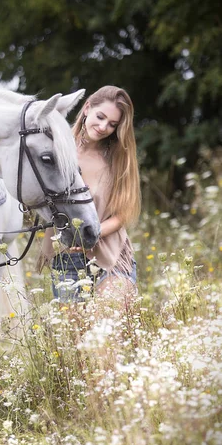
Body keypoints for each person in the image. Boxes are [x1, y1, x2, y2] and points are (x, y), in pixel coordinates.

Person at [40, 85, 141, 303]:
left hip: (110, 253)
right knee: (77, 335)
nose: (104, 126)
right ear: (87, 108)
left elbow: (123, 214)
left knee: (111, 324)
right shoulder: (56, 149)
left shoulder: (118, 159)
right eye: (100, 117)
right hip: (67, 254)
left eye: (113, 124)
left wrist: (90, 235)